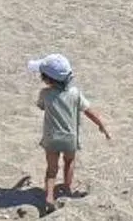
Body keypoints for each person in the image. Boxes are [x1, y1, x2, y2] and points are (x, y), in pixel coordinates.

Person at [29, 53, 111, 210]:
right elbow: (89, 111)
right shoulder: (75, 94)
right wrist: (102, 125)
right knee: (69, 161)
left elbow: (41, 106)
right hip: (69, 138)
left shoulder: (45, 94)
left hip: (51, 137)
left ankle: (49, 197)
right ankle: (67, 188)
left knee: (51, 169)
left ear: (47, 79)